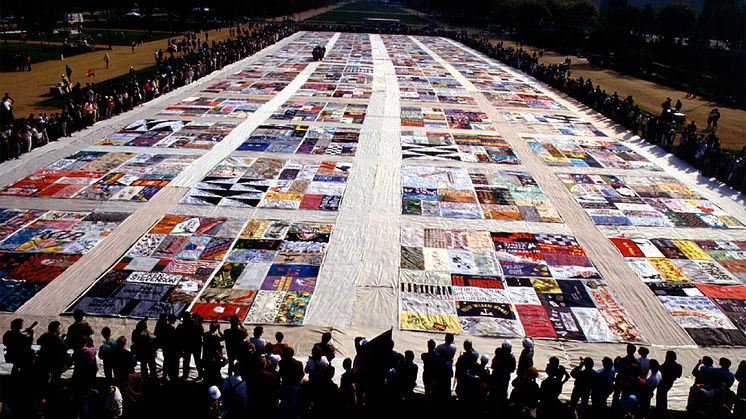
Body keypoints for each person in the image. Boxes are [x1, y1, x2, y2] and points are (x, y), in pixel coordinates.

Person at [37, 320, 69, 386]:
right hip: (55, 362)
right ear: (56, 329)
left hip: (43, 360)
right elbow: (63, 349)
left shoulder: (44, 336)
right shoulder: (58, 339)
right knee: (56, 378)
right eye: (59, 328)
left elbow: (39, 342)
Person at [279, 346, 304, 419]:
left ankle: (286, 416)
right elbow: (302, 374)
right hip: (295, 385)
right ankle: (292, 416)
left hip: (285, 384)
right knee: (294, 402)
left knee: (285, 402)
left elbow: (280, 373)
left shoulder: (282, 362)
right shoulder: (299, 363)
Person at [656, 350, 682, 418]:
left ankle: (660, 411)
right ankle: (663, 411)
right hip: (670, 382)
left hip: (663, 382)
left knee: (660, 396)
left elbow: (660, 369)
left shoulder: (666, 364)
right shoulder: (678, 366)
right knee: (663, 396)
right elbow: (678, 376)